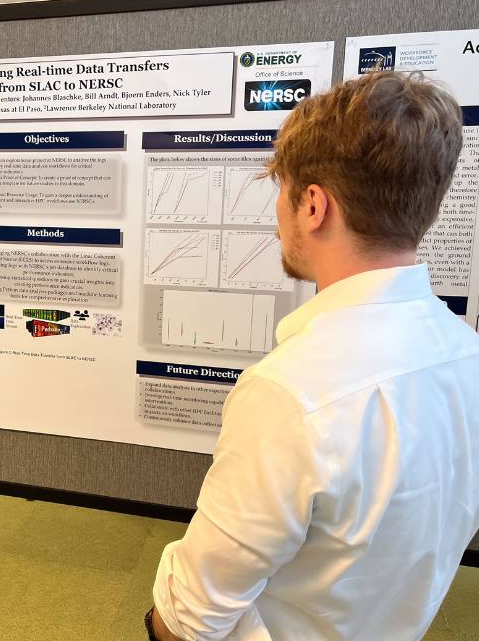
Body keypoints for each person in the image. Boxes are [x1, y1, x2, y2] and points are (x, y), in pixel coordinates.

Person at [146, 71, 479, 640]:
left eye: (282, 191)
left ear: (314, 205)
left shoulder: (291, 394)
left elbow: (192, 617)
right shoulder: (465, 354)